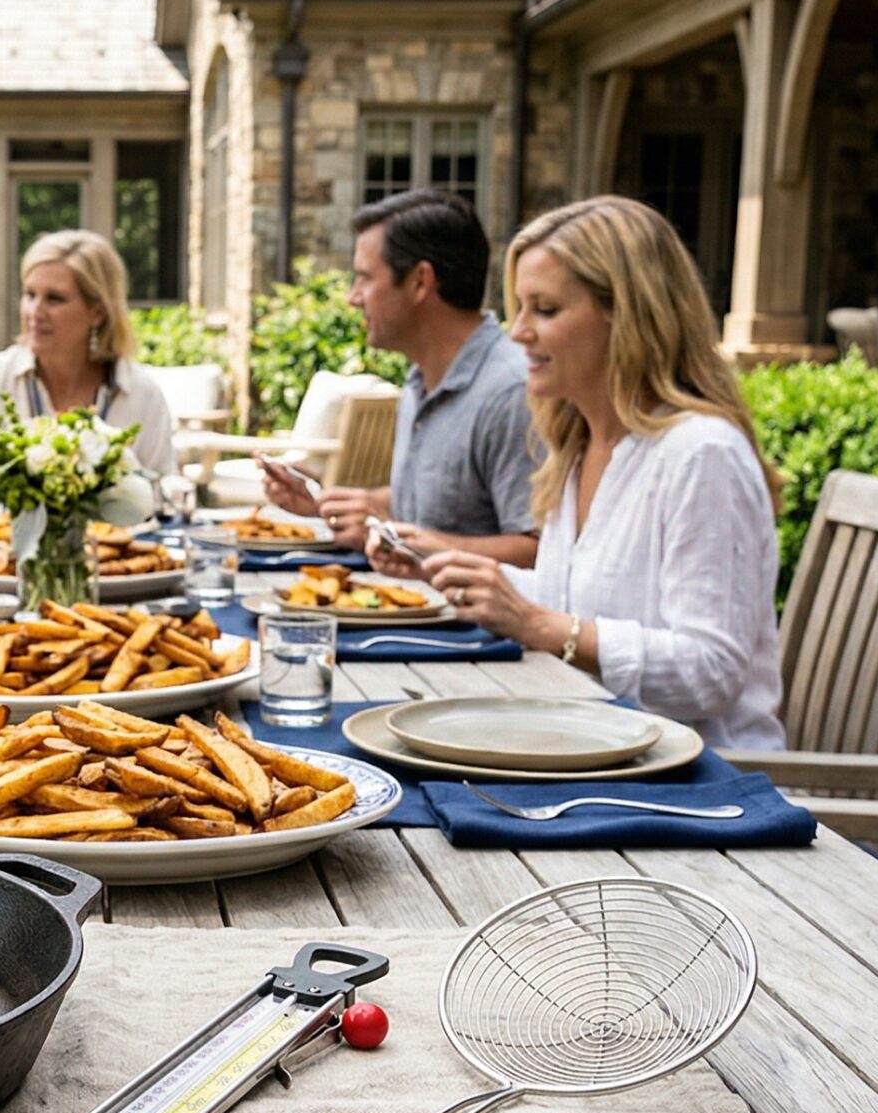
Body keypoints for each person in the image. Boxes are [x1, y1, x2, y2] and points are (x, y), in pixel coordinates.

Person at [370, 195, 786, 750]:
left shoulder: (700, 453)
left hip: (698, 791)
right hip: (584, 748)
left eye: (544, 310)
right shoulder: (580, 442)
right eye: (519, 308)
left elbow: (709, 671)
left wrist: (541, 627)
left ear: (628, 317)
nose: (517, 333)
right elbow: (578, 598)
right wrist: (449, 571)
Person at [259, 190, 538, 566]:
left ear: (420, 281)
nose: (353, 298)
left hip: (466, 624)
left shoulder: (512, 392)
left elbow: (537, 553)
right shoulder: (420, 378)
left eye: (364, 279)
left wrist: (391, 534)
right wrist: (333, 502)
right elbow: (442, 504)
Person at [0, 230, 175, 507]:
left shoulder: (140, 393)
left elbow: (164, 501)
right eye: (30, 294)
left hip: (109, 549)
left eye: (55, 299)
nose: (35, 312)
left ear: (97, 312)